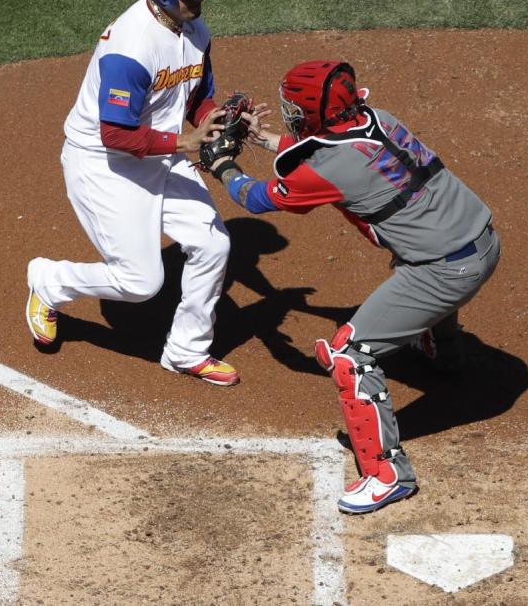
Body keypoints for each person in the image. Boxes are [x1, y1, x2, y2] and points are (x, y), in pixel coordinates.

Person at [203, 60, 501, 512]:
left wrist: (224, 165)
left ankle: (386, 474)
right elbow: (327, 161)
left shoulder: (328, 169)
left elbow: (259, 197)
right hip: (482, 242)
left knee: (349, 354)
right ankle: (445, 352)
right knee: (414, 256)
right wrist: (262, 139)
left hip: (444, 272)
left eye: (293, 106)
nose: (289, 112)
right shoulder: (380, 120)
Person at [25, 0, 241, 386]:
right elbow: (117, 134)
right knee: (141, 283)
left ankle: (186, 350)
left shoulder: (194, 30)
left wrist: (220, 121)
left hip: (163, 150)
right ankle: (49, 282)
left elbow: (197, 97)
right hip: (105, 164)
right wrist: (186, 142)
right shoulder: (131, 47)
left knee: (214, 246)